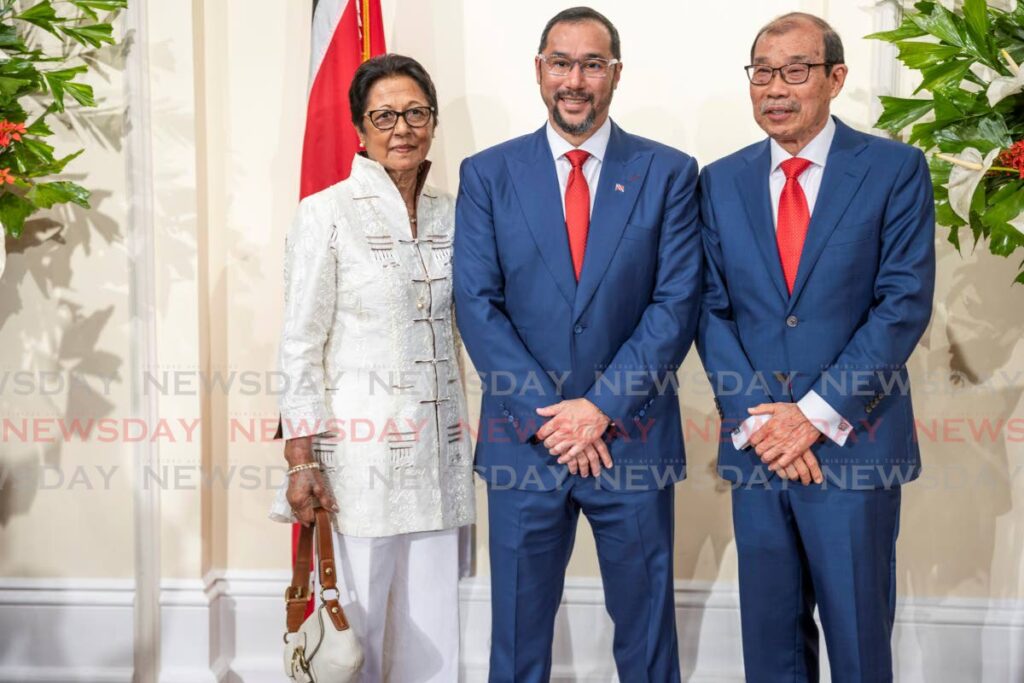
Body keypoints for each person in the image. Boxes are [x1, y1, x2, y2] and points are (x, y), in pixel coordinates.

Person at [453, 7, 702, 682]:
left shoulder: (669, 173)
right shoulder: (487, 174)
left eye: (593, 64)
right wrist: (551, 414)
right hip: (523, 442)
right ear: (539, 70)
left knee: (648, 635)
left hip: (631, 437)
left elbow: (675, 303)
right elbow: (477, 304)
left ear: (615, 74)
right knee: (517, 636)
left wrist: (599, 408)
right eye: (561, 62)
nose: (575, 80)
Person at [696, 12, 935, 682]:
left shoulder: (893, 169)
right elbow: (708, 310)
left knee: (859, 645)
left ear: (834, 78)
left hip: (852, 447)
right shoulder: (718, 181)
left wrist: (813, 415)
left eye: (795, 70)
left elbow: (902, 305)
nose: (776, 87)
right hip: (759, 449)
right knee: (769, 649)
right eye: (763, 72)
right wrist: (764, 421)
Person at [271, 53, 475, 683]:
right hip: (355, 462)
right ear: (360, 130)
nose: (402, 128)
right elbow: (300, 342)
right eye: (384, 115)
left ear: (434, 122)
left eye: (416, 112)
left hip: (439, 458)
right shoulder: (325, 213)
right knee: (351, 631)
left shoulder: (457, 214)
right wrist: (302, 458)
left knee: (435, 624)